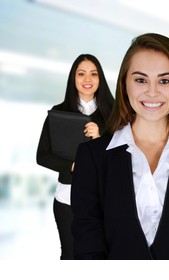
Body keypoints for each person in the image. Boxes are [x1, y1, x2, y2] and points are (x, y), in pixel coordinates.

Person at [71, 33, 169, 259]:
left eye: (165, 81)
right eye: (140, 80)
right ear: (124, 84)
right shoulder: (92, 157)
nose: (152, 91)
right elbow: (87, 244)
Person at [36, 54, 114, 260]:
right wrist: (73, 166)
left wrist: (99, 137)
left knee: (102, 255)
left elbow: (121, 157)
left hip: (103, 197)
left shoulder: (114, 113)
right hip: (67, 198)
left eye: (93, 74)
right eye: (81, 74)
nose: (87, 80)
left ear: (100, 79)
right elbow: (42, 156)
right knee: (71, 255)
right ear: (73, 78)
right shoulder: (58, 112)